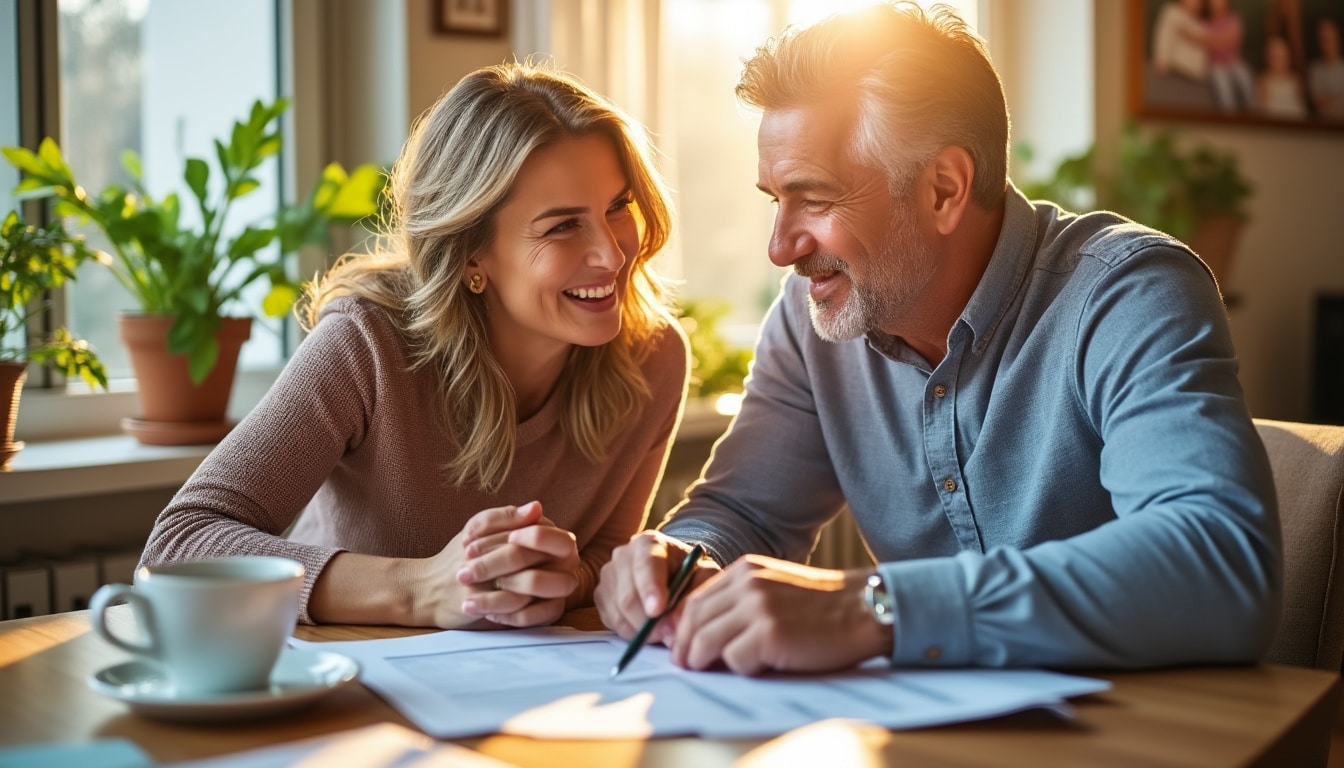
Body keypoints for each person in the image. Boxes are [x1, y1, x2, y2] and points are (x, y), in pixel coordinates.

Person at [595, 2, 1280, 675]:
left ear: (944, 189)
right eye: (776, 200)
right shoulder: (813, 318)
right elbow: (743, 512)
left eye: (816, 198)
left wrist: (873, 608)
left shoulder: (1125, 293)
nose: (780, 248)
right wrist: (677, 562)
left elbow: (1220, 565)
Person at [139, 62, 690, 629]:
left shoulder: (654, 357)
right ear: (471, 254)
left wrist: (564, 580)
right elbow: (180, 543)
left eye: (618, 207)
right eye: (562, 226)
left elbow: (604, 557)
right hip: (340, 673)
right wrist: (420, 590)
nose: (614, 253)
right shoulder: (366, 343)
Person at [1206, 0, 1256, 112]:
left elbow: (1234, 39)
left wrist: (1211, 42)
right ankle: (1230, 118)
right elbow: (1206, 45)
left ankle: (1254, 115)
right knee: (1223, 86)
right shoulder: (1207, 23)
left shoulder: (1234, 19)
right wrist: (1220, 41)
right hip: (1216, 65)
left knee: (1245, 77)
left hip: (1234, 62)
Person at [1151, 0, 1209, 82]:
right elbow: (1165, 35)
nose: (1194, 2)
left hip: (1195, 75)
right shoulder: (1173, 14)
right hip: (1174, 70)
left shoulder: (1203, 26)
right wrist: (1162, 59)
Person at [1258, 35, 1309, 119]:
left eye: (1282, 56)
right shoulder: (1263, 82)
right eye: (1275, 56)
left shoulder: (1296, 80)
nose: (1279, 60)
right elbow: (1263, 112)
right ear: (1268, 58)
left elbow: (1303, 109)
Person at [1308, 17, 1344, 120]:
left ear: (1338, 39)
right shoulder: (1315, 70)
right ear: (1319, 42)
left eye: (1331, 38)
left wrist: (1331, 100)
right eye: (1324, 39)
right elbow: (1320, 105)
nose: (1328, 43)